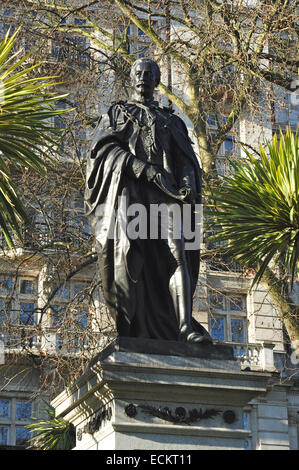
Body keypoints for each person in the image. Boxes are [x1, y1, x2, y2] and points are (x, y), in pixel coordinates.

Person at [85, 58, 211, 343]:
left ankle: (184, 327)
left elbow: (186, 159)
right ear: (132, 78)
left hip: (168, 198)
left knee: (178, 254)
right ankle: (135, 326)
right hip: (132, 199)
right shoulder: (116, 114)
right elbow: (103, 151)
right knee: (131, 262)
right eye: (138, 73)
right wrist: (142, 168)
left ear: (157, 81)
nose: (143, 77)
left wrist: (189, 182)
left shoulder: (171, 119)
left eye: (149, 74)